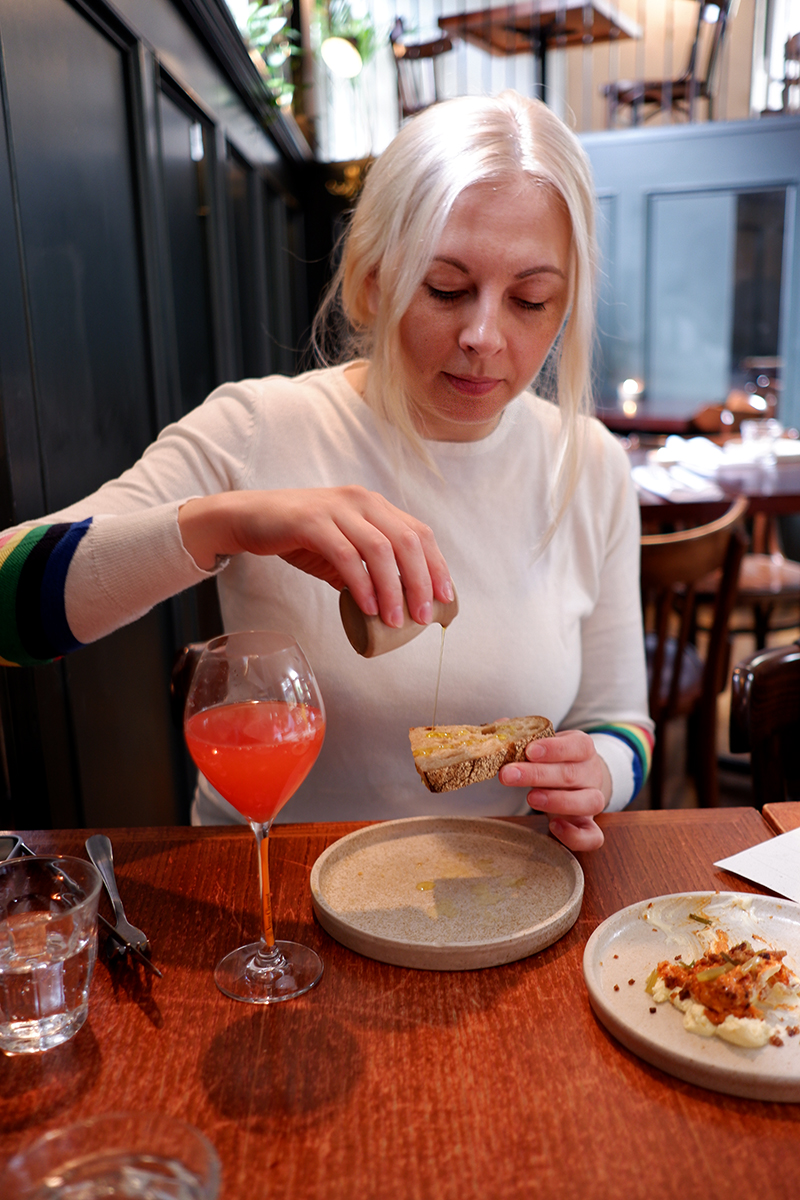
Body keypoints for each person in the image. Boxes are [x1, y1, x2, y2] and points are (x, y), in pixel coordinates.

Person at [0, 91, 653, 851]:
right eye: (445, 288)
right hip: (273, 897)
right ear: (373, 281)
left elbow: (620, 719)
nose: (483, 334)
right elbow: (11, 613)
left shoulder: (592, 465)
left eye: (531, 300)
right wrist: (227, 520)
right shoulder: (257, 427)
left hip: (498, 891)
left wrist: (598, 769)